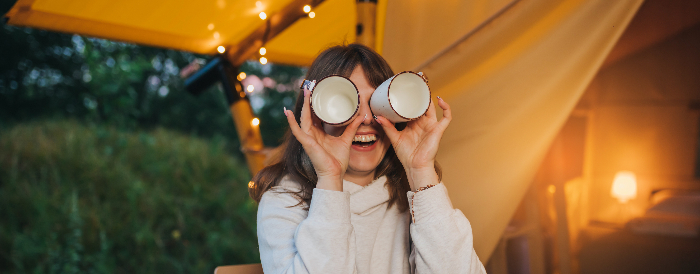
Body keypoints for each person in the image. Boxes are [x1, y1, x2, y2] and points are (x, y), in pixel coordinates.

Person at [249, 43, 486, 274]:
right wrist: (330, 179)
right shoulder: (284, 203)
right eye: (347, 103)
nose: (365, 119)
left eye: (377, 103)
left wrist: (420, 170)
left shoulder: (412, 198)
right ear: (314, 116)